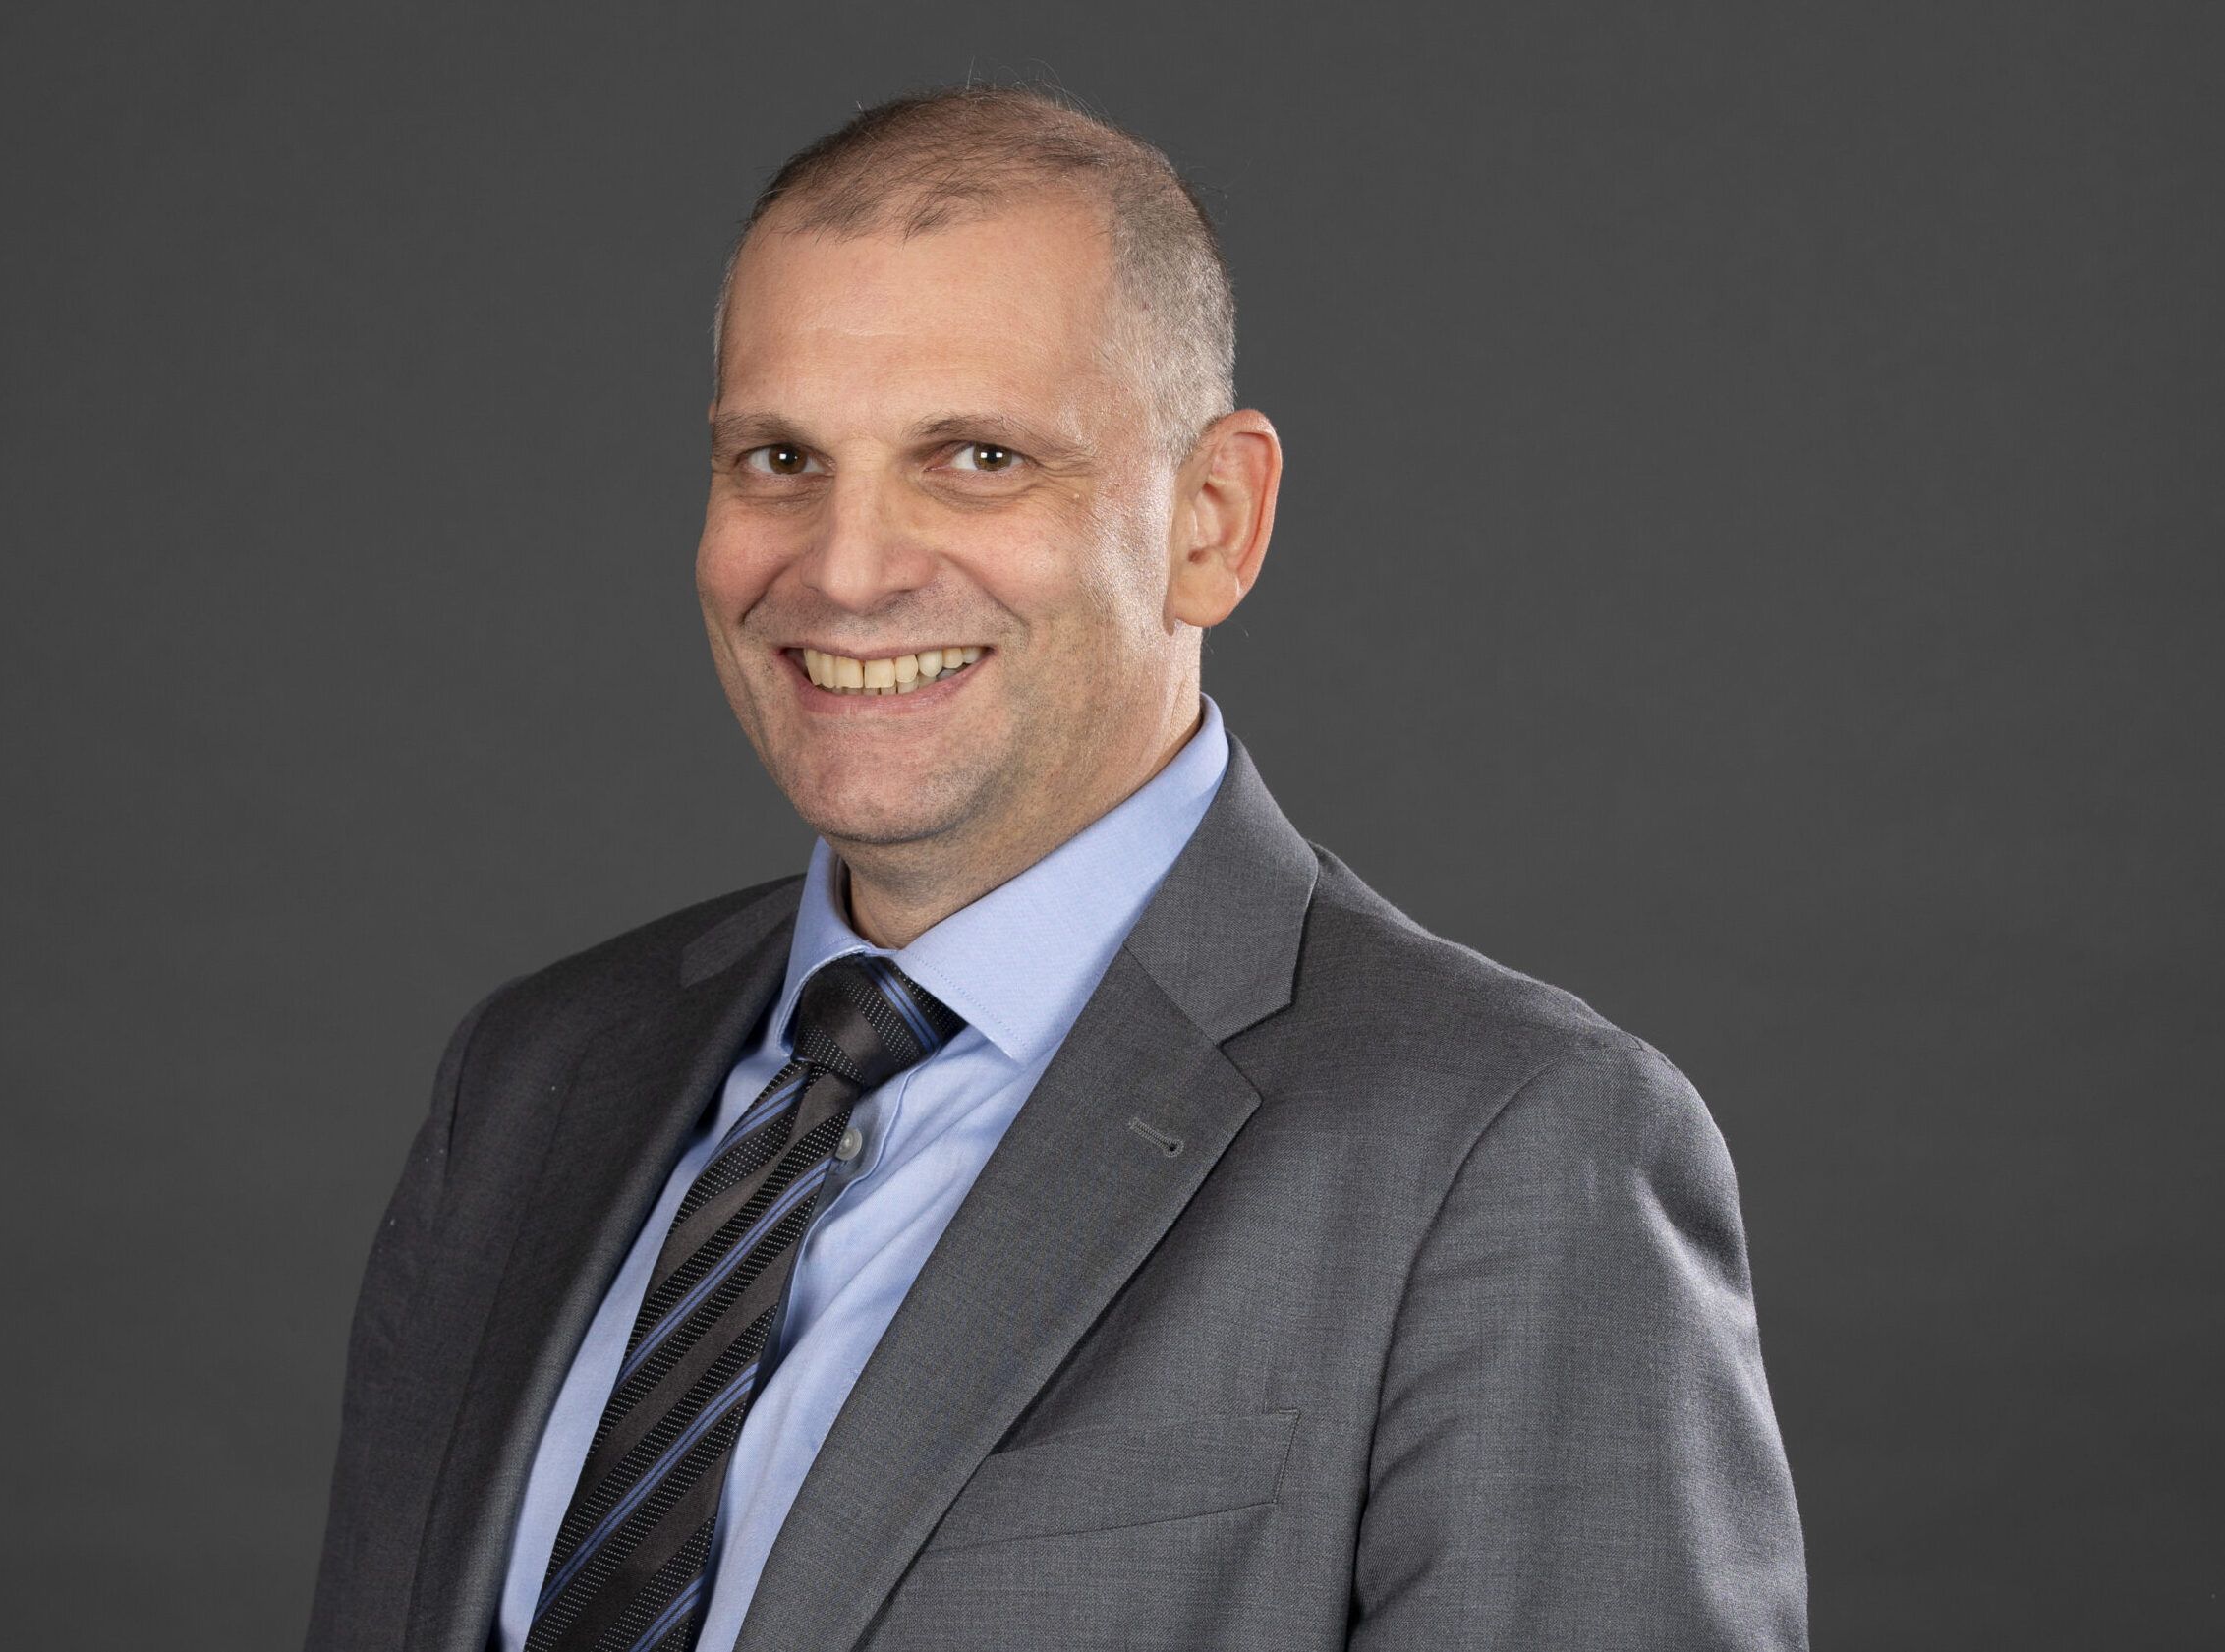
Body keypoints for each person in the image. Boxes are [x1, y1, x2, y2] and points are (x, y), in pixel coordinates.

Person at [305, 85, 1809, 1652]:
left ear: (1211, 522)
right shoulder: (536, 1077)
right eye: (777, 457)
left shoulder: (1503, 1152)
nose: (845, 566)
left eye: (975, 455)